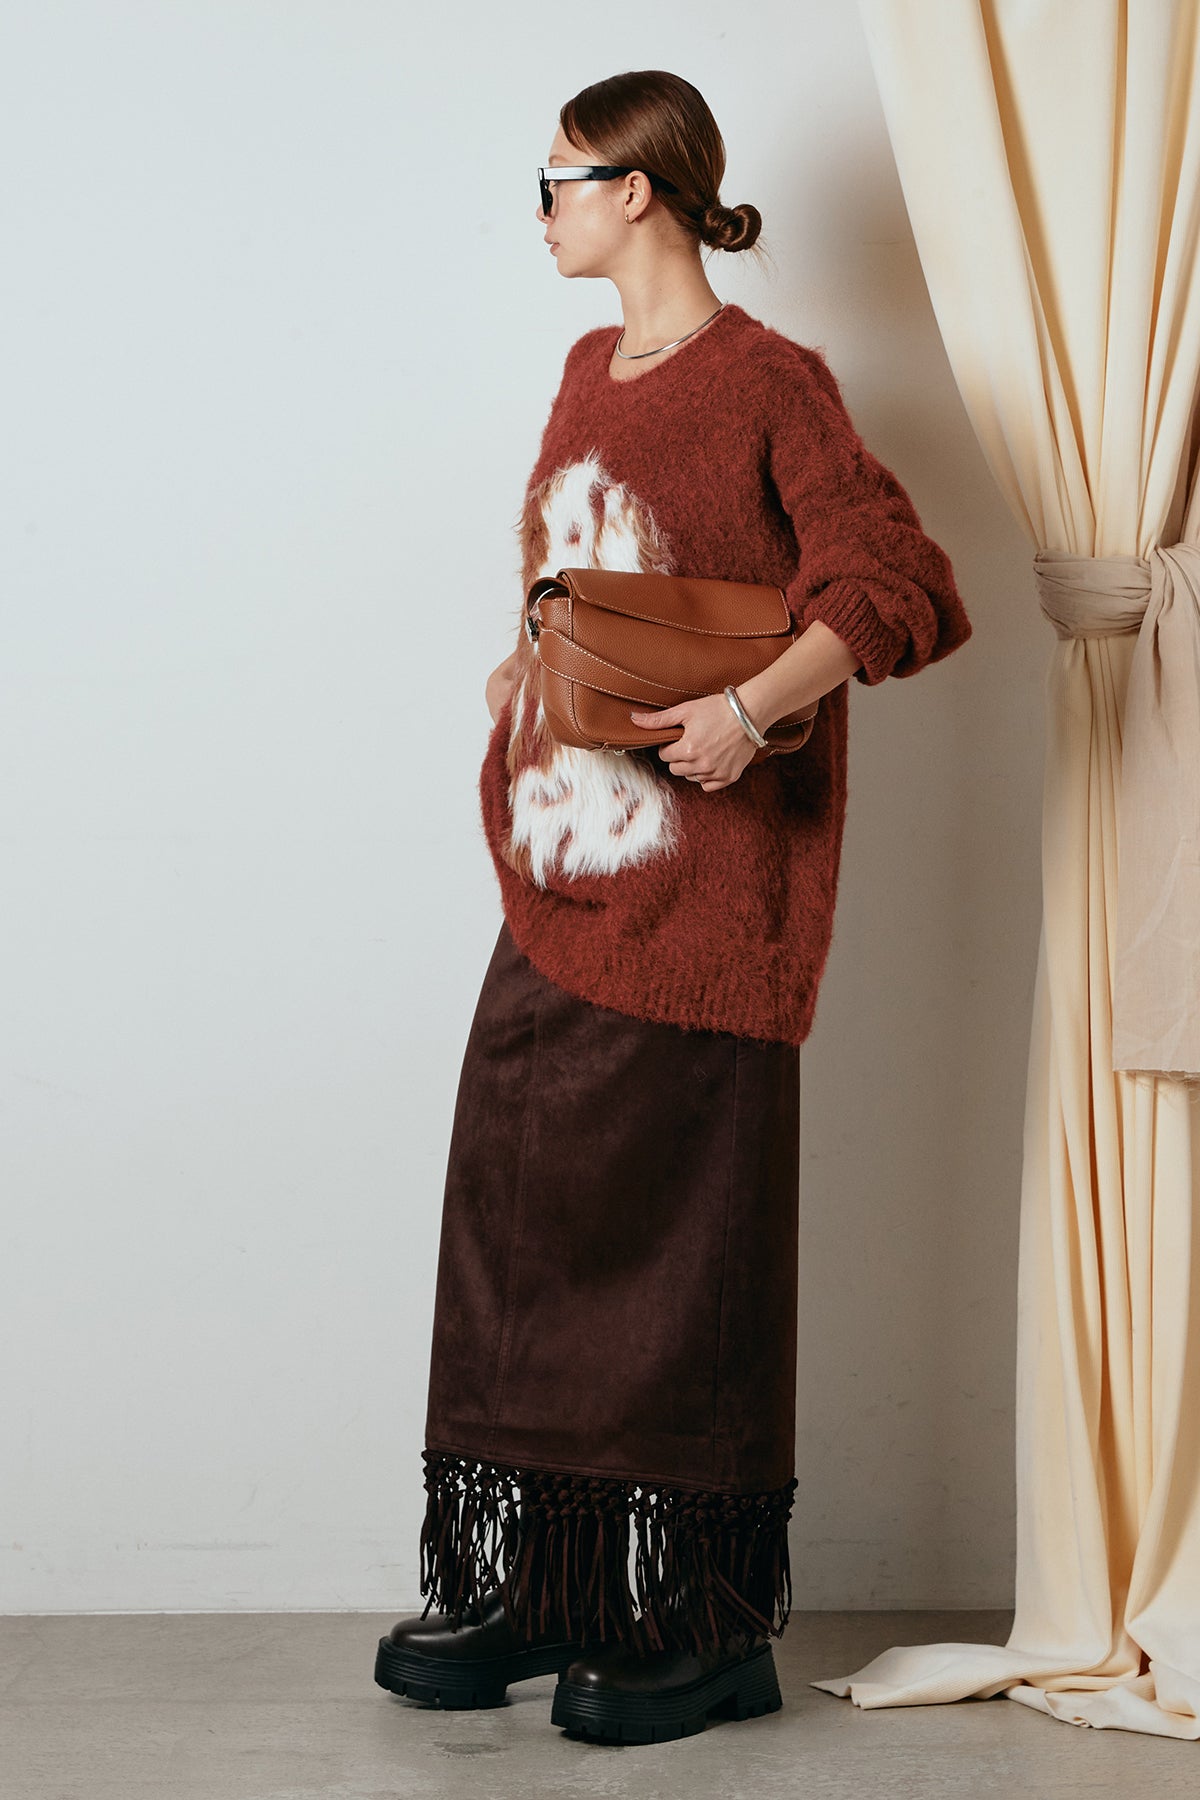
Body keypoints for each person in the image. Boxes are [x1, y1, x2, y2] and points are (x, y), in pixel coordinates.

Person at [374, 68, 972, 1745]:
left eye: (557, 181)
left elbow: (896, 582)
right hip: (565, 875)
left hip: (710, 903)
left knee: (687, 1247)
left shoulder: (770, 382)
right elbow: (582, 571)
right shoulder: (589, 368)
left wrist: (755, 708)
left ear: (636, 189)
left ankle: (703, 1622)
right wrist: (529, 657)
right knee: (518, 1226)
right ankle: (549, 1582)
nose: (541, 211)